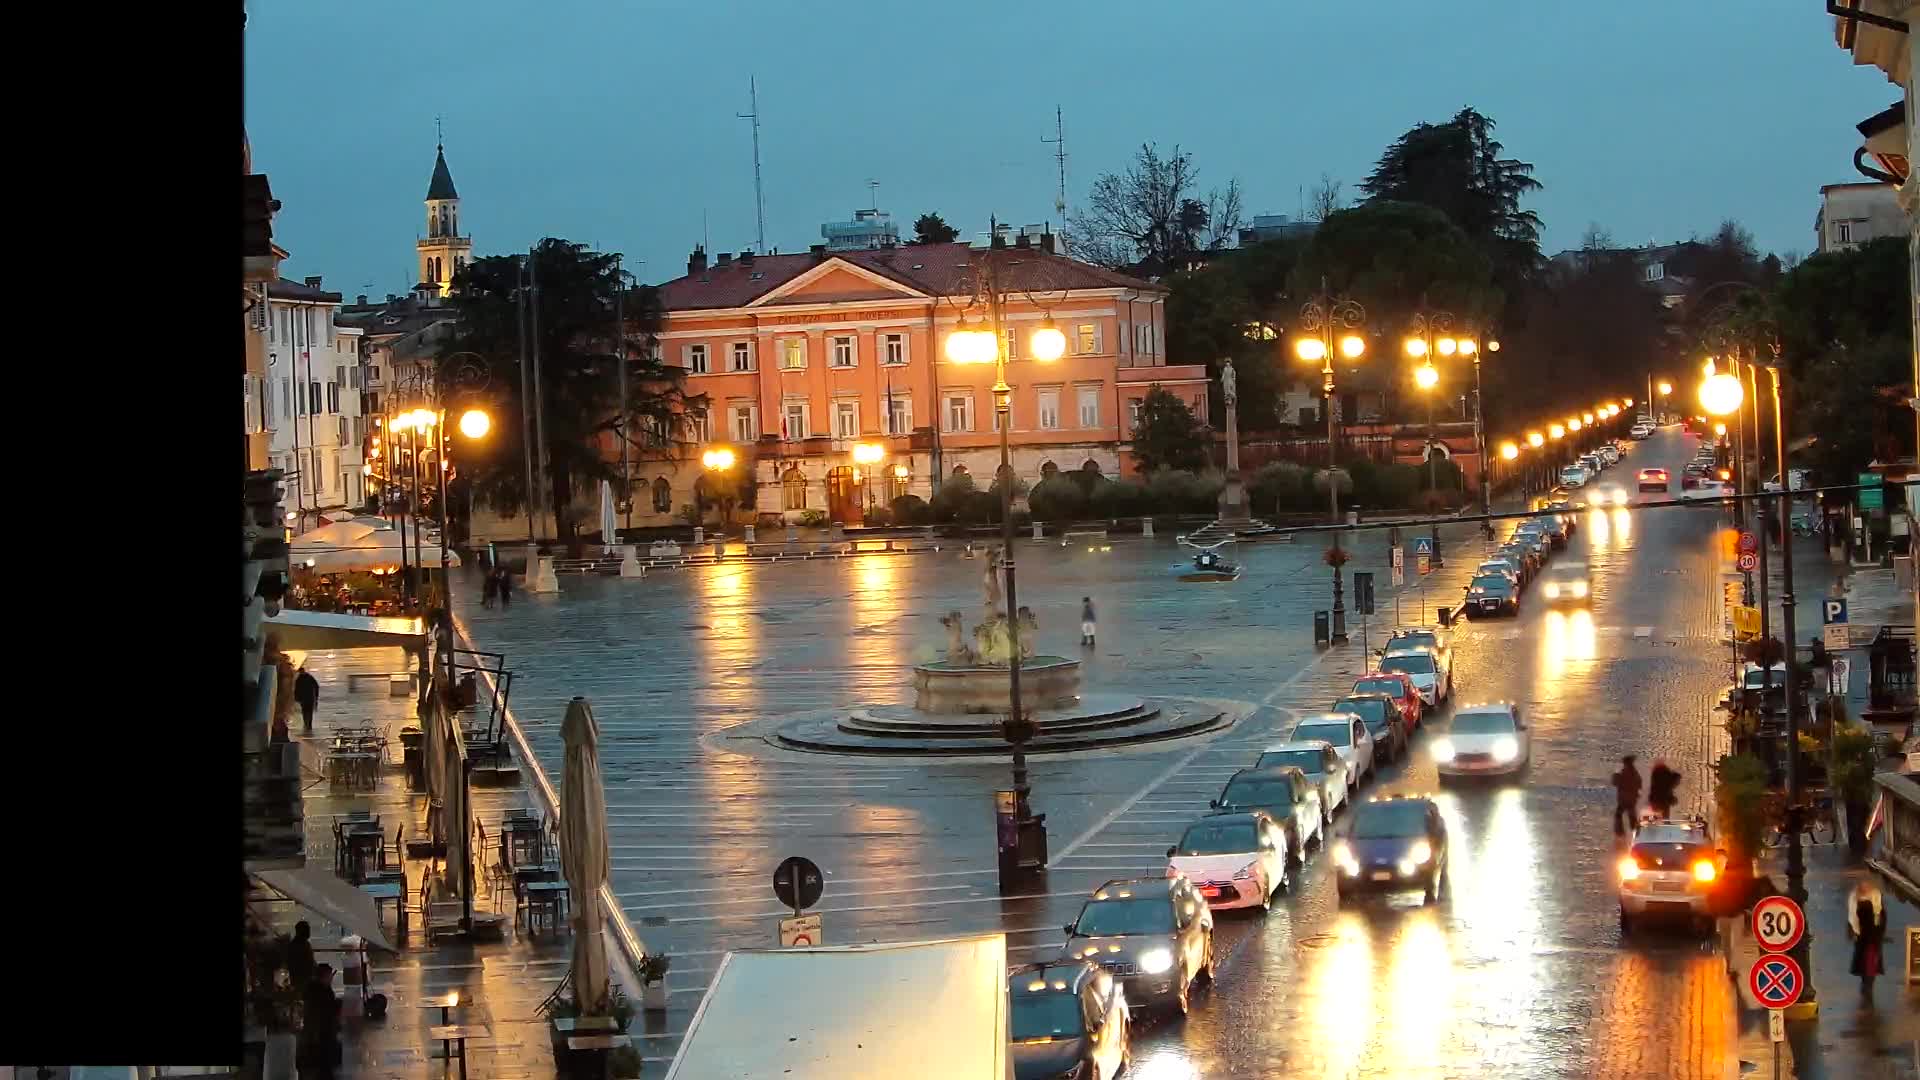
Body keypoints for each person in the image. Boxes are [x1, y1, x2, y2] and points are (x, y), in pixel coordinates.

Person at [297, 962, 341, 1079]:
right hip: (322, 1033)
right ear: (324, 976)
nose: (331, 979)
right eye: (329, 976)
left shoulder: (312, 989)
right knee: (324, 1064)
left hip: (314, 1032)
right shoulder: (323, 991)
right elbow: (328, 1010)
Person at [1847, 873, 1888, 997]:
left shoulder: (1876, 896)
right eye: (1862, 883)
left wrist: (1880, 932)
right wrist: (1853, 931)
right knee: (1863, 960)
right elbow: (1852, 916)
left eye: (1866, 883)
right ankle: (1866, 981)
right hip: (1862, 934)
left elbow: (1881, 916)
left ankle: (1868, 984)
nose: (1864, 885)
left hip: (1873, 934)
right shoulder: (1854, 897)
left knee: (1871, 960)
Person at [1611, 755, 1643, 836]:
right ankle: (1635, 831)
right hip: (1632, 798)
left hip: (1624, 798)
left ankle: (1620, 832)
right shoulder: (1635, 773)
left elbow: (1615, 782)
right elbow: (1639, 784)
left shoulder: (1624, 772)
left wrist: (1615, 774)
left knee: (1619, 814)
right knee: (1631, 814)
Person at [284, 920, 315, 991]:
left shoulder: (301, 944)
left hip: (302, 980)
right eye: (307, 929)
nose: (309, 932)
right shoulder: (299, 945)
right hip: (302, 981)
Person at [293, 667, 320, 733]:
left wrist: (316, 696)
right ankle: (307, 725)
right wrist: (316, 696)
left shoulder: (303, 678)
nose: (301, 673)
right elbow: (316, 686)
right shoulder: (304, 678)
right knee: (307, 712)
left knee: (307, 712)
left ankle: (308, 725)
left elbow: (316, 686)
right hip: (307, 698)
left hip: (306, 698)